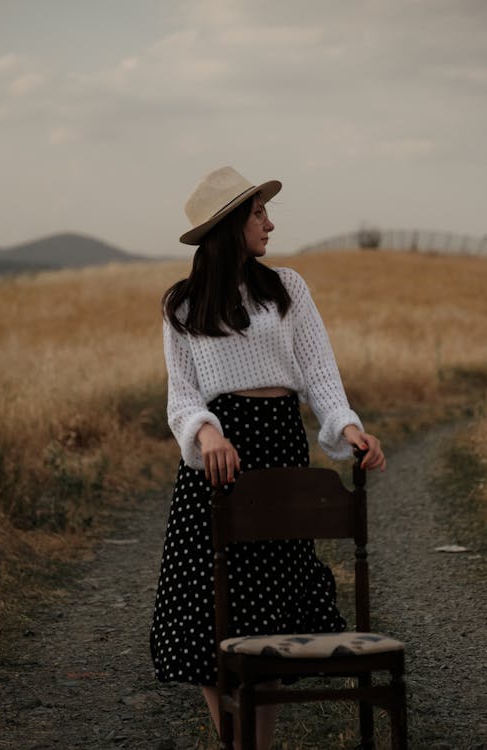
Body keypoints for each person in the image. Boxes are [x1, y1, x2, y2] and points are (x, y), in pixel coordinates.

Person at [150, 166, 386, 750]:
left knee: (273, 608)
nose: (270, 223)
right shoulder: (181, 306)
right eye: (259, 214)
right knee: (209, 619)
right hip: (219, 465)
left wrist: (350, 428)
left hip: (279, 449)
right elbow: (181, 397)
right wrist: (205, 433)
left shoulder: (288, 289)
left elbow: (320, 377)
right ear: (232, 224)